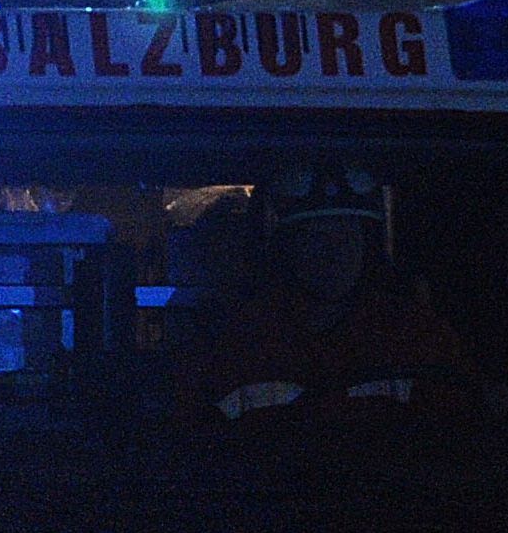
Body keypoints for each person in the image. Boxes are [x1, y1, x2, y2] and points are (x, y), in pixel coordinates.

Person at [190, 164, 476, 419]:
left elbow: (459, 438)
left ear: (368, 247)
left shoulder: (416, 335)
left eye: (348, 236)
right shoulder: (238, 341)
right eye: (318, 237)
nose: (336, 253)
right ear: (286, 249)